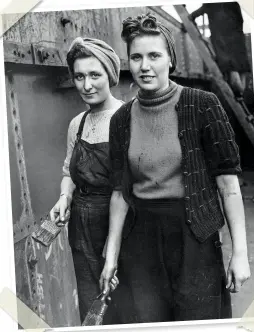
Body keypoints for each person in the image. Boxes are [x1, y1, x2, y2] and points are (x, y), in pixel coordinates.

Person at [99, 13, 251, 323]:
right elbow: (119, 193)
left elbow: (229, 186)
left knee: (199, 320)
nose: (145, 65)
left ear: (170, 59)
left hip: (194, 236)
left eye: (154, 55)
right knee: (147, 321)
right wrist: (111, 255)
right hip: (141, 242)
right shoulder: (121, 120)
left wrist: (241, 253)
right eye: (136, 57)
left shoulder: (203, 105)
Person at [49, 37, 123, 324]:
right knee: (91, 308)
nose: (86, 85)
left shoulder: (126, 117)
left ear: (110, 75)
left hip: (120, 225)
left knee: (122, 303)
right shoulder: (76, 123)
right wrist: (65, 197)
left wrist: (113, 247)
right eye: (79, 76)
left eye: (95, 75)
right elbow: (69, 170)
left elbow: (130, 188)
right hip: (81, 227)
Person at [188, 2, 250, 96]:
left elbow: (193, 15)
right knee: (239, 74)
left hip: (224, 44)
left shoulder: (211, 5)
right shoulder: (233, 4)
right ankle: (239, 93)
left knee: (234, 77)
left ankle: (237, 92)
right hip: (237, 41)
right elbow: (240, 20)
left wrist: (191, 18)